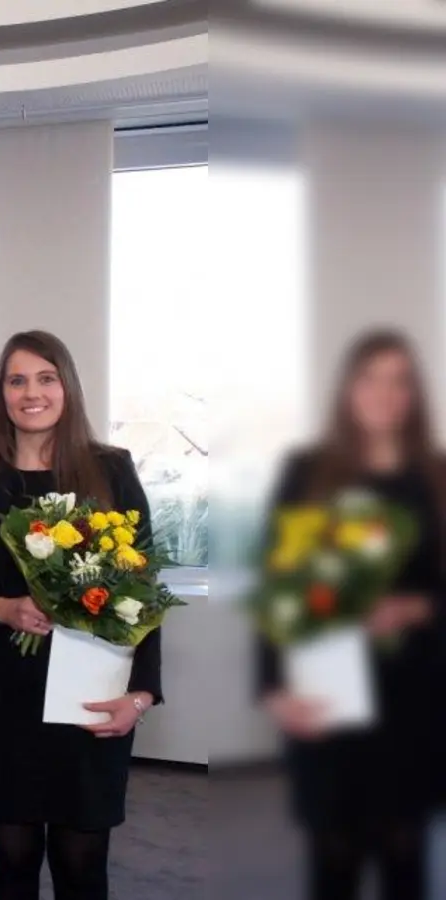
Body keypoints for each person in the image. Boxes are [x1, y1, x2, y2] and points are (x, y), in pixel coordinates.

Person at [0, 330, 159, 900]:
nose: (30, 392)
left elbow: (145, 593)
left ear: (67, 387)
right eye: (17, 380)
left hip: (91, 694)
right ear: (1, 393)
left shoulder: (111, 471)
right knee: (9, 859)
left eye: (45, 378)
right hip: (2, 695)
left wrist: (141, 696)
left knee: (81, 859)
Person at [257, 330, 445, 900]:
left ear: (413, 393)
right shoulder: (307, 472)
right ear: (348, 388)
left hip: (413, 699)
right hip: (328, 693)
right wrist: (273, 686)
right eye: (370, 378)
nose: (383, 393)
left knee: (403, 855)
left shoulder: (436, 477)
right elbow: (278, 588)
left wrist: (417, 606)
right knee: (332, 857)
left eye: (398, 380)